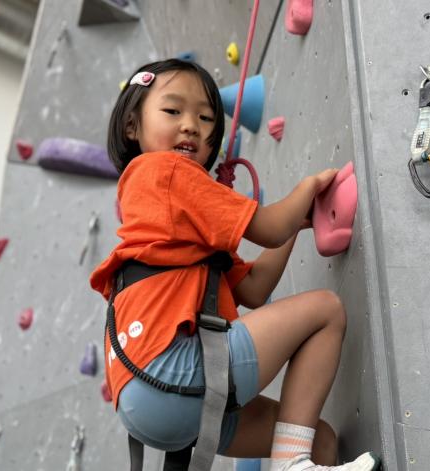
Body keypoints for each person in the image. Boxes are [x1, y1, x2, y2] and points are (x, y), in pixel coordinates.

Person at [90, 58, 378, 471]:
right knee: (325, 310)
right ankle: (292, 464)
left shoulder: (172, 222)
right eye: (173, 111)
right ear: (131, 126)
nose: (191, 125)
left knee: (322, 440)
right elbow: (269, 228)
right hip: (172, 370)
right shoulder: (167, 171)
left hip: (147, 401)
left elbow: (254, 289)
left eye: (206, 117)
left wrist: (299, 221)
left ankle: (298, 460)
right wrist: (308, 188)